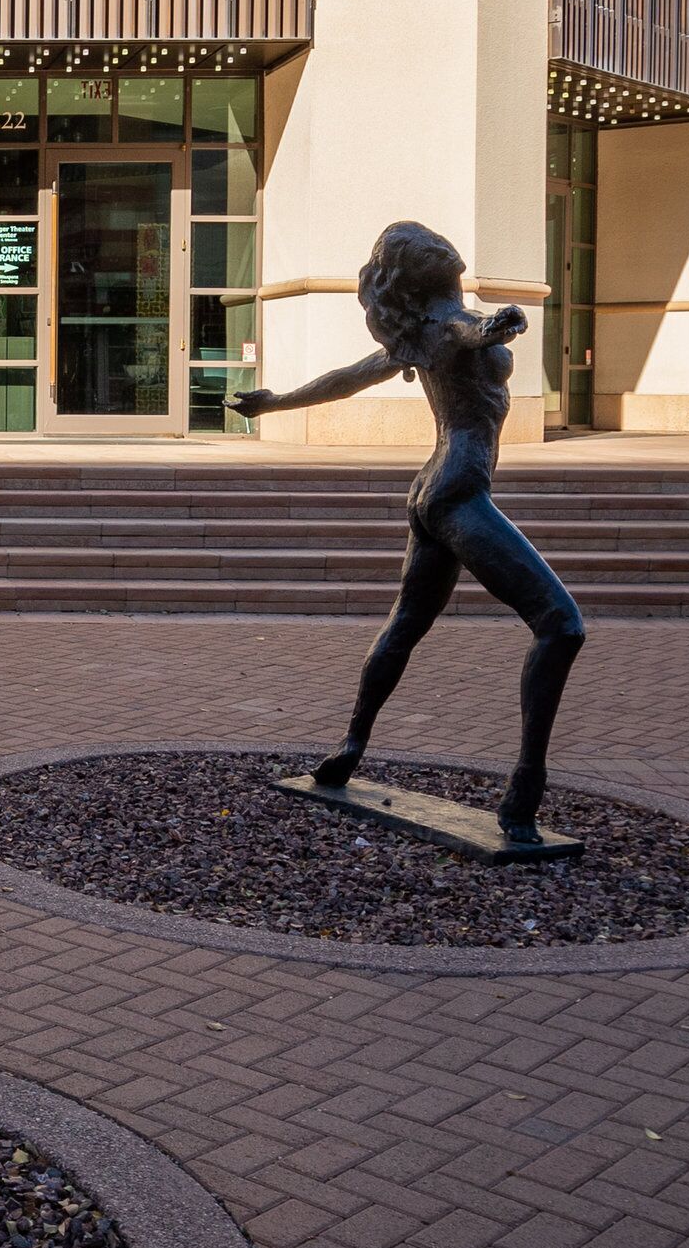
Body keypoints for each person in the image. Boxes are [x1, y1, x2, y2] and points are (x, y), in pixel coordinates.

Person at [233, 221, 586, 842]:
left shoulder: (419, 335)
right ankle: (524, 790)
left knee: (406, 624)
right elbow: (474, 329)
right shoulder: (449, 326)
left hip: (431, 491)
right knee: (560, 625)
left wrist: (275, 401)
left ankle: (351, 745)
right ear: (435, 274)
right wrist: (499, 326)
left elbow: (347, 376)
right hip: (457, 493)